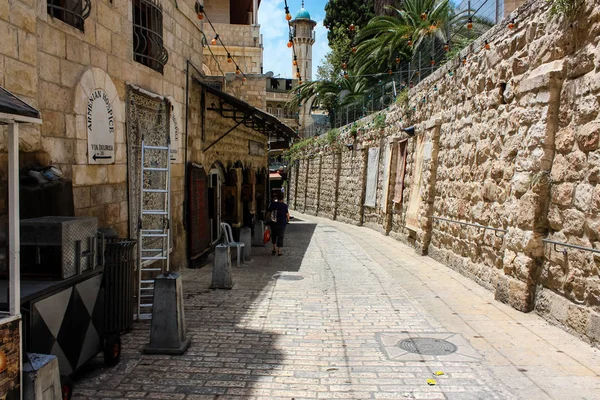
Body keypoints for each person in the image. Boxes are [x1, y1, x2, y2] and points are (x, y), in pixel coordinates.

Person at [267, 191, 289, 256]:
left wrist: (267, 219)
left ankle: (274, 249)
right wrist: (287, 220)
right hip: (281, 223)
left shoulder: (272, 204)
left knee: (273, 235)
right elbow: (287, 214)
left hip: (273, 223)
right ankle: (279, 251)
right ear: (283, 198)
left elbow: (268, 213)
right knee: (280, 236)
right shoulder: (284, 206)